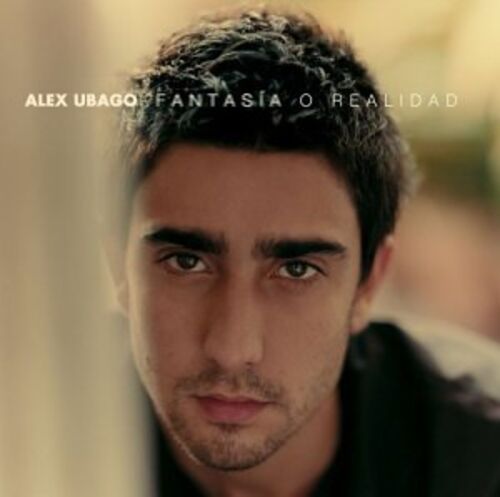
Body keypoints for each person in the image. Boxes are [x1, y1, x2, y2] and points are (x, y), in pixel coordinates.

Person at [105, 7, 500, 497]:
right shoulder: (40, 424)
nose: (232, 349)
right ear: (118, 266)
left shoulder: (481, 459)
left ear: (369, 282)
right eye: (186, 262)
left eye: (296, 269)